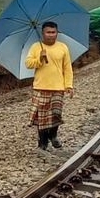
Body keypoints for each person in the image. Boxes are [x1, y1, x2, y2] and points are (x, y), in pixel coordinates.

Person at [25, 21, 74, 150]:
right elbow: (28, 64)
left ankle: (53, 136)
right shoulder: (36, 47)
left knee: (56, 114)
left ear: (57, 33)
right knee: (41, 117)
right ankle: (42, 141)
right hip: (40, 86)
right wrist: (39, 59)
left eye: (53, 32)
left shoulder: (63, 47)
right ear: (43, 33)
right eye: (48, 32)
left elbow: (67, 68)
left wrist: (69, 85)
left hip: (58, 87)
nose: (51, 35)